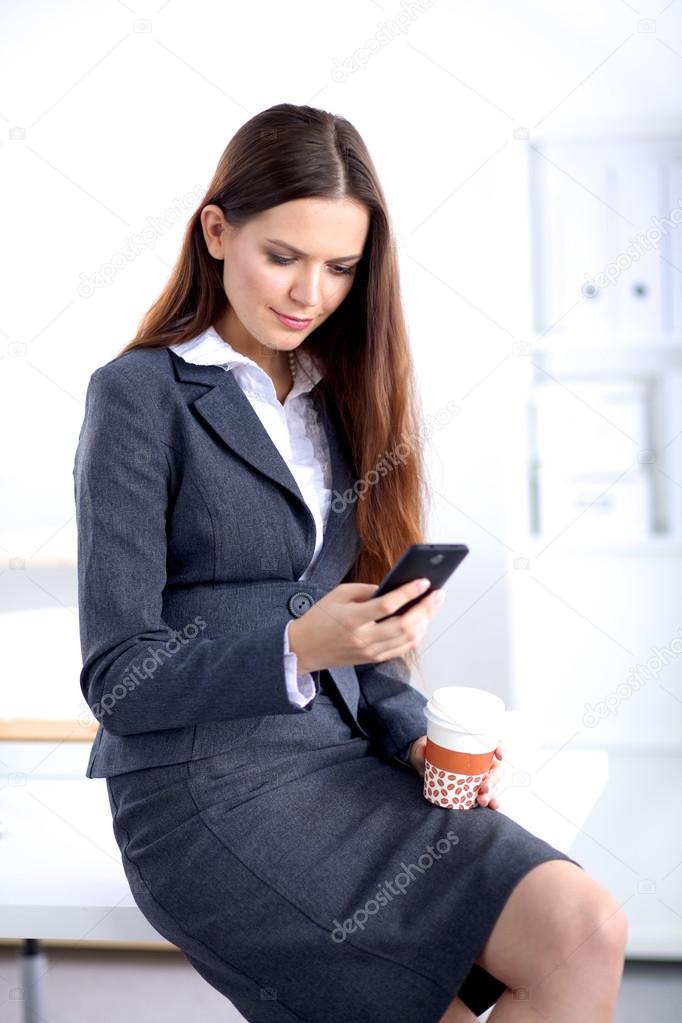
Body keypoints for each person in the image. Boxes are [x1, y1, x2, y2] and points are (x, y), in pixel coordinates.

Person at [73, 103, 627, 1023]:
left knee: (585, 928)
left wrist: (409, 727)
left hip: (349, 767)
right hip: (205, 793)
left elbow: (359, 636)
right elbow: (118, 679)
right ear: (217, 231)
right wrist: (294, 644)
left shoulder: (341, 396)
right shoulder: (139, 395)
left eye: (339, 266)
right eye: (282, 256)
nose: (309, 293)